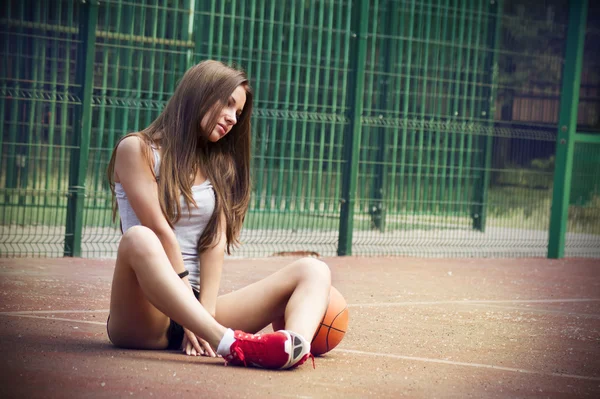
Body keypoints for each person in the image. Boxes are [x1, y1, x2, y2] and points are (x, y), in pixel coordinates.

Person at [105, 60, 331, 369]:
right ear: (199, 94)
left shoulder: (218, 165)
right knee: (139, 238)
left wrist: (204, 314)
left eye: (238, 113)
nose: (233, 119)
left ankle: (293, 348)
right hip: (146, 311)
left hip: (203, 310)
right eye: (227, 104)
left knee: (313, 270)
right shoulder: (137, 149)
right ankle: (231, 344)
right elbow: (160, 231)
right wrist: (197, 321)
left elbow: (213, 244)